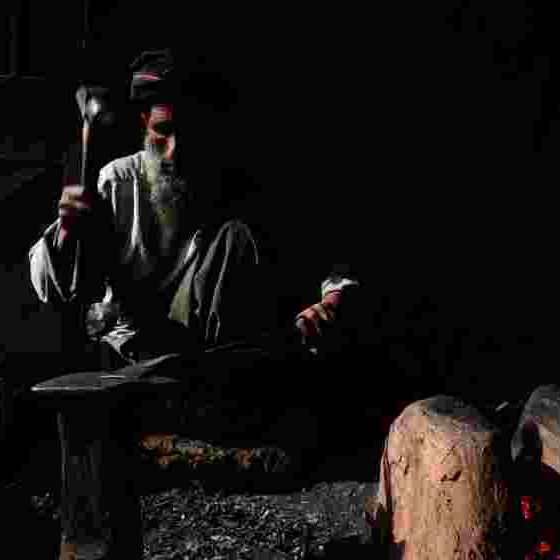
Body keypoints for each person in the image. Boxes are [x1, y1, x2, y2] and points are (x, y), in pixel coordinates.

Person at [28, 49, 359, 365]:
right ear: (144, 122)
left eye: (188, 135)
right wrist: (67, 229)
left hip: (210, 354)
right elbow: (50, 288)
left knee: (235, 237)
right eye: (163, 132)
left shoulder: (237, 186)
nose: (172, 153)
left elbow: (327, 266)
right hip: (131, 352)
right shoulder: (118, 182)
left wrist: (332, 301)